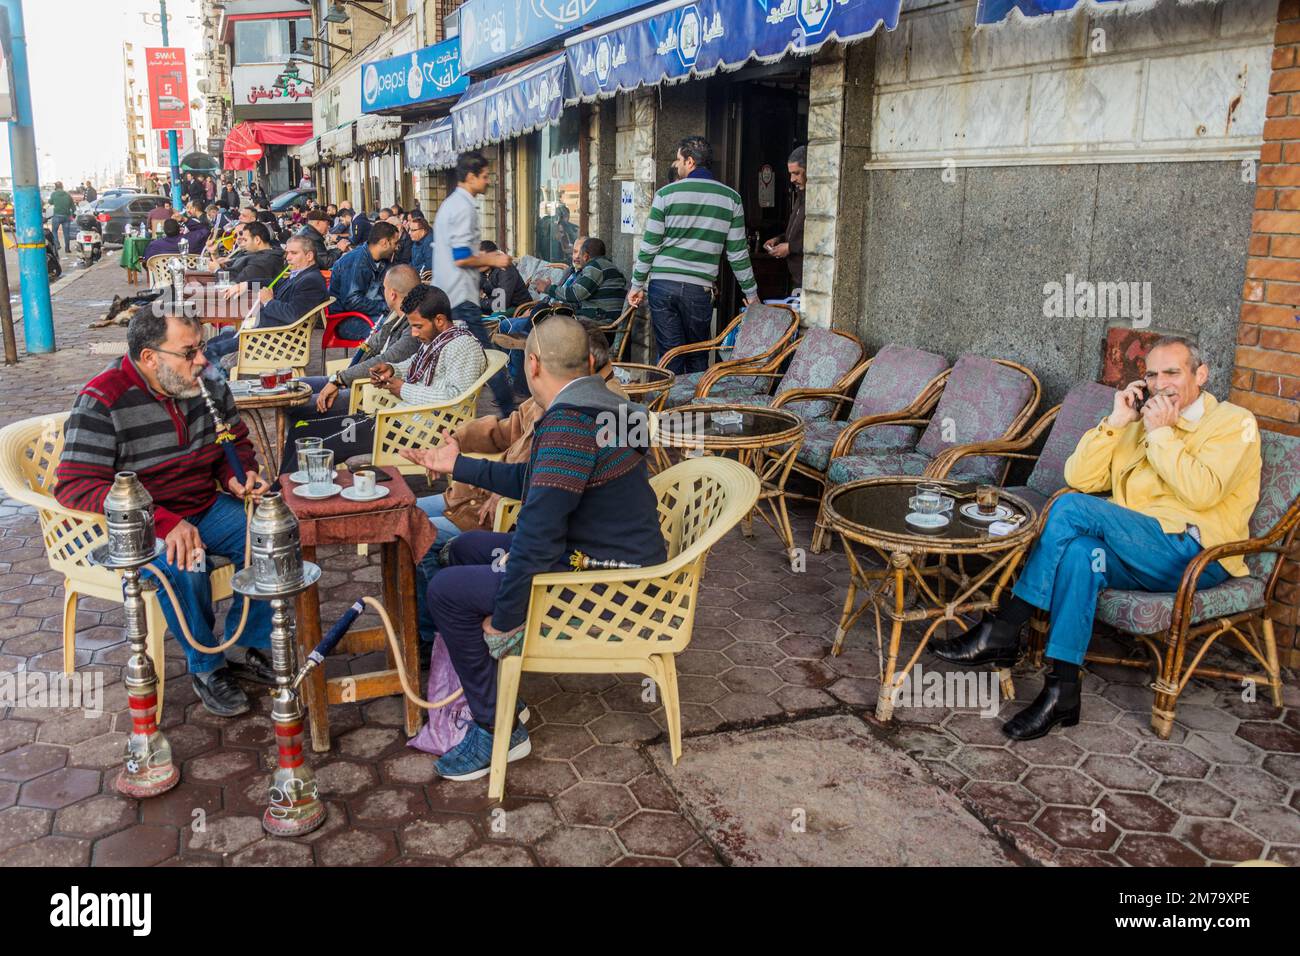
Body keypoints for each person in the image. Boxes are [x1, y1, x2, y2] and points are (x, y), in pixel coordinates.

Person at [933, 337, 1262, 741]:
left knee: (1070, 508)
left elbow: (1203, 492)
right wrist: (1116, 422)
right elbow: (1080, 477)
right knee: (1080, 553)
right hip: (1135, 549)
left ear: (1201, 375)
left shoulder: (1233, 423)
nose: (1161, 384)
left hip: (1196, 557)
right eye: (1152, 374)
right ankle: (1063, 691)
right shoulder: (1140, 422)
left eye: (1172, 373)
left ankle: (1005, 626)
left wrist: (1163, 435)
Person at [398, 315, 665, 781]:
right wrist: (459, 466)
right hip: (611, 557)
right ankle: (496, 694)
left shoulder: (569, 423)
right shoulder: (607, 405)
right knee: (465, 549)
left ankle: (496, 726)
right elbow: (541, 483)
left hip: (607, 580)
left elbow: (537, 539)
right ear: (587, 362)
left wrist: (505, 618)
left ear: (533, 363)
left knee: (446, 591)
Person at [55, 308, 274, 717]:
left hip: (203, 505)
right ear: (149, 357)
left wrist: (238, 476)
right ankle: (208, 666)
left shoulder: (208, 383)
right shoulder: (103, 400)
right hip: (145, 524)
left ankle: (252, 641)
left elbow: (235, 443)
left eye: (202, 348)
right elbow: (75, 486)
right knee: (186, 560)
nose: (203, 361)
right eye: (188, 352)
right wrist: (163, 522)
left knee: (271, 533)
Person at [412, 321, 629, 642]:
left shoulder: (603, 410)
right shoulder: (560, 394)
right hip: (528, 523)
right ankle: (448, 635)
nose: (533, 370)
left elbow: (550, 508)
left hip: (575, 562)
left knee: (420, 538)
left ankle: (435, 638)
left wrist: (504, 621)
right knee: (410, 514)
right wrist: (456, 453)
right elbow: (509, 435)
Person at [281, 284, 486, 473]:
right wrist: (391, 369)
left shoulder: (463, 346)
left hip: (416, 430)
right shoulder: (437, 339)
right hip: (395, 419)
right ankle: (280, 493)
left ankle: (283, 497)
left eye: (418, 326)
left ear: (439, 320)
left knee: (318, 447)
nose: (414, 333)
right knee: (301, 434)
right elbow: (413, 364)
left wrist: (402, 389)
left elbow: (455, 398)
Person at [627, 135, 759, 374]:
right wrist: (752, 294)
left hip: (663, 285)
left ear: (690, 161)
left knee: (669, 354)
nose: (676, 165)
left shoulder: (665, 195)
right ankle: (696, 410)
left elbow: (649, 246)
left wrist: (637, 285)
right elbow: (738, 254)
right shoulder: (732, 199)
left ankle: (667, 410)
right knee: (698, 356)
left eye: (678, 159)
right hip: (699, 290)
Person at [433, 151, 517, 414]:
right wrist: (494, 260)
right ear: (470, 177)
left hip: (449, 292)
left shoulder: (450, 204)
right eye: (484, 176)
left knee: (449, 353)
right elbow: (461, 257)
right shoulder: (463, 208)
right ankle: (508, 411)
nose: (488, 181)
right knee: (486, 355)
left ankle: (444, 405)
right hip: (459, 296)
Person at [298, 264, 422, 417]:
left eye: (384, 288)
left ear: (392, 294)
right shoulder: (394, 316)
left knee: (298, 403)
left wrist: (340, 380)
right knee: (298, 385)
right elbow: (372, 346)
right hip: (360, 382)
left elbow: (386, 359)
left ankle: (303, 437)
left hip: (376, 394)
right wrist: (341, 378)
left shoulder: (414, 327)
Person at [205, 235, 328, 366]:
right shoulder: (301, 275)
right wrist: (246, 285)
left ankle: (215, 384)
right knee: (211, 343)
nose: (288, 258)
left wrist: (269, 301)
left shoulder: (310, 280)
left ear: (309, 256)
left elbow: (293, 314)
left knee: (211, 350)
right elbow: (274, 283)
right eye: (287, 253)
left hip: (275, 338)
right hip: (266, 332)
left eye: (294, 253)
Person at [328, 220, 398, 339]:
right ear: (384, 243)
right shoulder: (355, 261)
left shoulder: (382, 260)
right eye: (395, 243)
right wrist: (386, 307)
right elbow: (352, 301)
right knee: (392, 329)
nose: (397, 247)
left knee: (402, 324)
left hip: (367, 315)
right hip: (346, 321)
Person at [532, 236, 627, 325]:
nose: (577, 257)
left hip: (601, 319)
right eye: (574, 252)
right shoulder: (606, 266)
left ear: (585, 256)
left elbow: (576, 293)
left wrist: (548, 288)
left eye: (580, 254)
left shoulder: (595, 267)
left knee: (546, 320)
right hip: (602, 315)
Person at [763, 145, 806, 289]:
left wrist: (790, 247)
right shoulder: (800, 196)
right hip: (797, 277)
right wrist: (779, 239)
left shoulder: (816, 199)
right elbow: (797, 231)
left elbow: (823, 239)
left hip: (808, 277)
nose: (792, 179)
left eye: (797, 173)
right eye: (791, 173)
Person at [219, 221, 284, 292]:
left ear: (257, 240)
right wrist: (222, 266)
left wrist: (217, 270)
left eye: (245, 240)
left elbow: (237, 283)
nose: (243, 242)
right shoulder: (250, 253)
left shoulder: (263, 260)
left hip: (247, 299)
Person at [479, 240, 530, 313]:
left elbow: (501, 304)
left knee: (493, 318)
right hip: (494, 306)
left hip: (518, 308)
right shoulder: (481, 271)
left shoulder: (505, 270)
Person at [48, 181, 76, 253]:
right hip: (67, 216)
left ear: (56, 187)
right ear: (62, 186)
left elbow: (50, 202)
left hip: (57, 215)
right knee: (66, 233)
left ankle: (57, 244)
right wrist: (73, 214)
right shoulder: (67, 194)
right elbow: (73, 206)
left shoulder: (54, 194)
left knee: (54, 231)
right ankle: (67, 249)